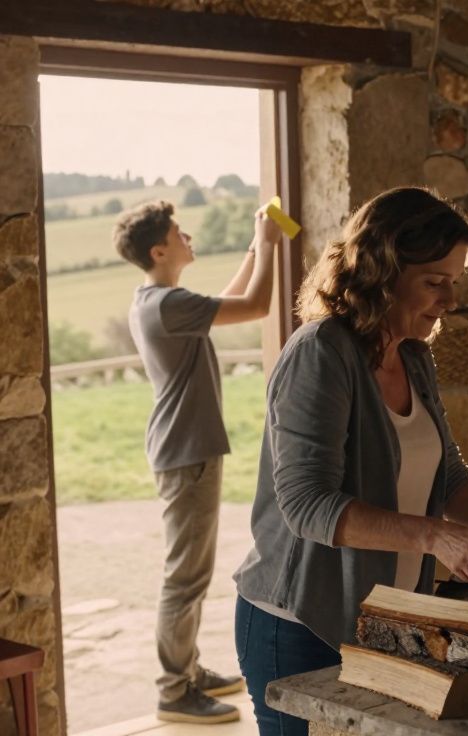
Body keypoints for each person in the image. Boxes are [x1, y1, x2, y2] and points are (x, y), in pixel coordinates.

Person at [232, 186, 468, 734]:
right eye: (435, 282)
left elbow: (448, 479)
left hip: (383, 621)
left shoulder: (412, 355)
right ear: (382, 269)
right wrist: (435, 537)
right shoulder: (321, 353)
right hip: (298, 626)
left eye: (454, 282)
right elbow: (305, 505)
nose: (450, 300)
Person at [115, 199, 281, 723]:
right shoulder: (166, 304)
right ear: (159, 250)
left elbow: (227, 301)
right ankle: (173, 691)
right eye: (178, 231)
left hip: (185, 451)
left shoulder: (159, 300)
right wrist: (273, 246)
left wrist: (256, 248)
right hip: (188, 454)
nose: (189, 235)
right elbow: (255, 306)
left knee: (189, 572)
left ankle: (187, 669)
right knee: (184, 577)